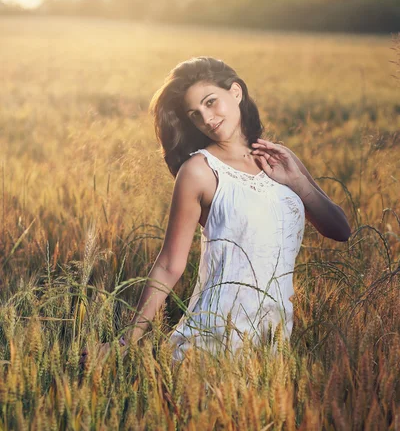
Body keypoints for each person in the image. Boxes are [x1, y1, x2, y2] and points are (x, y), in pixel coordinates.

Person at [83, 56, 351, 365]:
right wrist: (124, 341)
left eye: (211, 103)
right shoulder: (199, 171)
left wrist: (297, 182)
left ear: (235, 92)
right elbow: (169, 264)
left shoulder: (280, 159)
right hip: (210, 341)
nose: (207, 119)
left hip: (272, 343)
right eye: (195, 114)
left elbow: (340, 230)